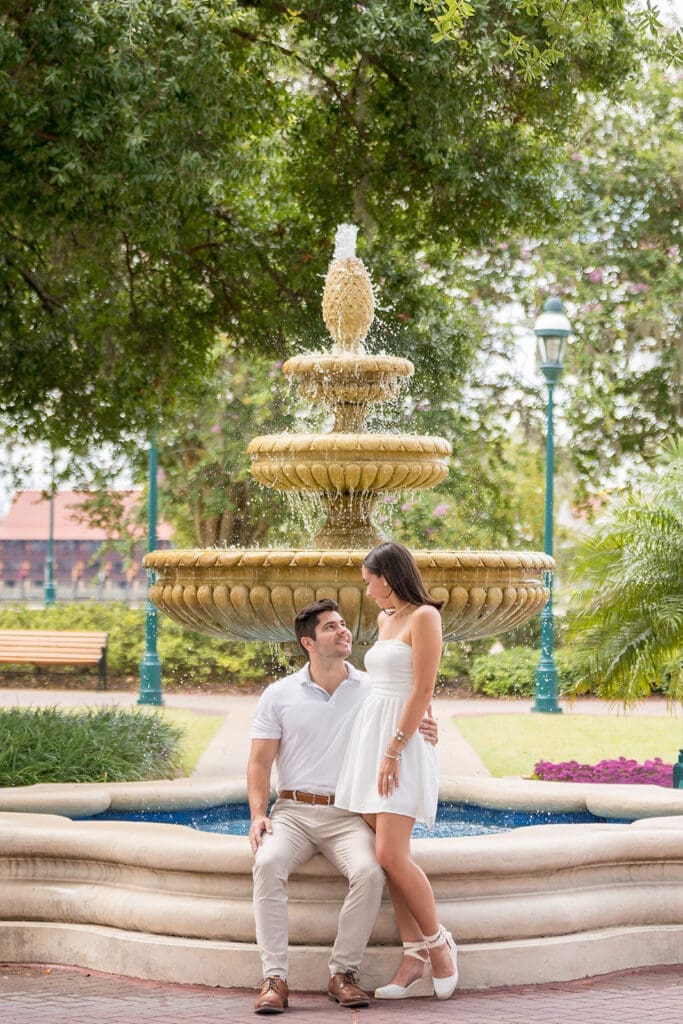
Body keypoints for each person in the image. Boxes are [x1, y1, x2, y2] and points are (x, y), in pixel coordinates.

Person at [247, 598, 438, 1014]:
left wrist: (426, 725)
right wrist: (259, 814)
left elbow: (412, 708)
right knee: (267, 863)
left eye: (343, 624)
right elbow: (259, 762)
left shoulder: (374, 687)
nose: (343, 631)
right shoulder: (278, 695)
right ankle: (274, 978)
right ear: (308, 642)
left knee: (371, 871)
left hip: (349, 813)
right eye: (331, 627)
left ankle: (344, 974)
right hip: (293, 813)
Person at [335, 541, 459, 1001]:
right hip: (374, 736)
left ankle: (440, 945)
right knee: (388, 855)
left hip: (399, 743)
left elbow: (423, 685)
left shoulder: (426, 616)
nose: (367, 592)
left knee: (390, 854)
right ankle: (414, 955)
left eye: (369, 582)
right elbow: (388, 681)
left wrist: (396, 747)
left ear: (388, 576)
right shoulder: (387, 618)